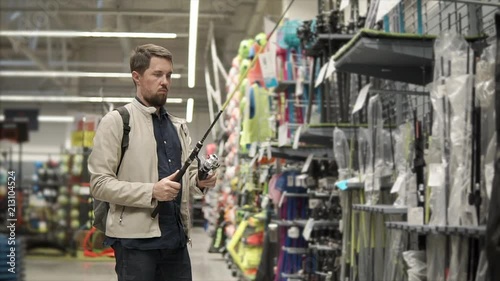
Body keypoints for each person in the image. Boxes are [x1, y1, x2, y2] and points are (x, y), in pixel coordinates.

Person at [88, 43, 217, 281]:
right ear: (136, 77)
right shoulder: (117, 122)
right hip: (135, 245)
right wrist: (152, 191)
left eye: (168, 75)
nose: (165, 81)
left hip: (175, 243)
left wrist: (200, 180)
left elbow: (185, 182)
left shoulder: (178, 127)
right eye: (157, 74)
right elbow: (99, 184)